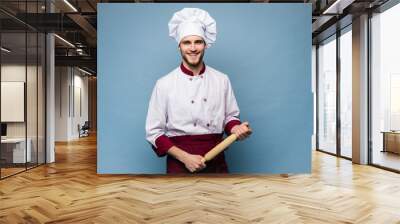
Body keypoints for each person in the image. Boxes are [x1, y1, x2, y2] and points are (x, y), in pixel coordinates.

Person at [145, 8, 252, 174]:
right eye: (187, 42)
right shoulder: (164, 84)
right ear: (179, 46)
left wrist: (236, 128)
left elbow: (230, 117)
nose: (193, 48)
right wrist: (185, 158)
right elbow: (154, 133)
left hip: (216, 161)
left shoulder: (221, 79)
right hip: (179, 163)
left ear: (205, 45)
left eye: (198, 42)